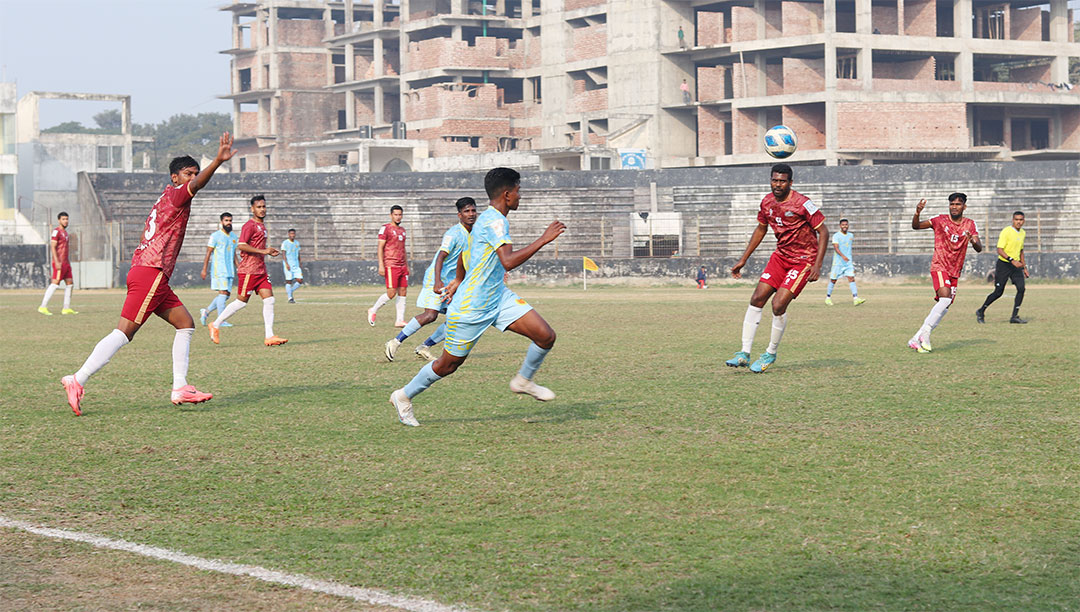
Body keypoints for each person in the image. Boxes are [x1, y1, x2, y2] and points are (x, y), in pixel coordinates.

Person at [60, 133, 235, 416]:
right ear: (175, 178)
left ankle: (181, 386)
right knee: (124, 333)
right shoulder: (177, 195)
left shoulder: (165, 198)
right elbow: (198, 184)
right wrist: (216, 161)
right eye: (188, 174)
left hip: (150, 273)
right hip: (150, 272)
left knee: (186, 324)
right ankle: (77, 379)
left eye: (194, 172)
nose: (193, 177)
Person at [389, 167, 566, 427]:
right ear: (507, 194)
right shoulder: (495, 221)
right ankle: (403, 396)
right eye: (518, 191)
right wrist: (543, 239)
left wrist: (459, 279)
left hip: (497, 297)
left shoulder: (486, 220)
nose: (520, 196)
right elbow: (507, 262)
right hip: (472, 306)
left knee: (545, 336)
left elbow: (466, 254)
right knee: (448, 365)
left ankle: (523, 381)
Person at [724, 163, 828, 373]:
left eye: (782, 181)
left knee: (778, 305)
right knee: (757, 299)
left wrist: (817, 264)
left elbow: (824, 232)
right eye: (774, 180)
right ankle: (744, 353)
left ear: (790, 182)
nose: (777, 184)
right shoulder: (767, 202)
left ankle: (770, 353)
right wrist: (744, 259)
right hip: (780, 257)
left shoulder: (803, 203)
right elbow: (761, 229)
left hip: (802, 261)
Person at [385, 197, 478, 363]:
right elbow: (441, 257)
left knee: (459, 318)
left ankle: (424, 346)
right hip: (438, 279)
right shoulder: (454, 234)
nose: (471, 214)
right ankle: (395, 342)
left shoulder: (475, 233)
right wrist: (437, 281)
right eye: (466, 211)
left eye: (473, 210)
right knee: (430, 315)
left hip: (453, 283)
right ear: (459, 215)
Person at [208, 195, 288, 346]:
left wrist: (267, 252)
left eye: (264, 206)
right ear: (252, 209)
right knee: (241, 302)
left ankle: (269, 336)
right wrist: (264, 251)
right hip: (249, 270)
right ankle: (216, 324)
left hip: (260, 270)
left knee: (270, 299)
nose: (262, 209)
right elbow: (242, 245)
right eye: (259, 207)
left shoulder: (262, 226)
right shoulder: (249, 226)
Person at [907, 194, 982, 353]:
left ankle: (915, 338)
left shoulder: (970, 224)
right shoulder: (939, 220)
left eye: (958, 204)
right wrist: (917, 212)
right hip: (940, 265)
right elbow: (916, 226)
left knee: (945, 305)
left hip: (955, 270)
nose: (954, 207)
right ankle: (926, 334)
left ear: (964, 207)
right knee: (945, 298)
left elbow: (979, 247)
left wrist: (973, 241)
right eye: (952, 204)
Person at [976, 211, 1028, 324]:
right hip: (1004, 264)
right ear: (1013, 220)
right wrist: (1011, 260)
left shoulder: (1023, 233)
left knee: (1021, 289)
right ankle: (981, 311)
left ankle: (1014, 316)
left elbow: (1021, 251)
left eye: (1021, 220)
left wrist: (1024, 267)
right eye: (1016, 220)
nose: (1019, 222)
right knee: (998, 292)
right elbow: (999, 250)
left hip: (1016, 265)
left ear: (1024, 221)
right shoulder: (1006, 231)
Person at [368, 205, 409, 328]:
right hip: (391, 264)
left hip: (402, 265)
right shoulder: (385, 229)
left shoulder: (402, 230)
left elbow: (403, 249)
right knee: (391, 293)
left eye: (400, 214)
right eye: (395, 214)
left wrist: (406, 265)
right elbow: (380, 247)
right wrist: (381, 265)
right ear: (391, 215)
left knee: (403, 291)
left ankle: (399, 320)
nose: (398, 217)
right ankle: (373, 310)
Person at [199, 212, 239, 327]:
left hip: (230, 270)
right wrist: (204, 269)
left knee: (226, 295)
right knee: (222, 293)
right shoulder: (215, 236)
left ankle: (206, 311)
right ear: (221, 222)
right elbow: (208, 253)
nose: (228, 223)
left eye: (230, 220)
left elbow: (234, 255)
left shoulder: (234, 237)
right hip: (219, 270)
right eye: (226, 220)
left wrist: (239, 267)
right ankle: (220, 321)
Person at [39, 211, 77, 315]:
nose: (66, 221)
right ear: (59, 220)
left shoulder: (65, 233)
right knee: (55, 284)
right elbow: (53, 246)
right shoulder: (56, 232)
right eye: (63, 219)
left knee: (70, 284)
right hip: (59, 263)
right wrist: (56, 261)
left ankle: (66, 308)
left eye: (67, 219)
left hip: (66, 263)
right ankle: (43, 306)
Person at [824, 219, 865, 306]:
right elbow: (836, 247)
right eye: (843, 225)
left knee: (851, 278)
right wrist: (843, 256)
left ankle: (855, 298)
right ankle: (828, 298)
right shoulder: (836, 236)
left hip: (848, 262)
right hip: (838, 262)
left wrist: (847, 257)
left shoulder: (851, 235)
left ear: (848, 225)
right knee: (833, 280)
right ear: (840, 226)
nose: (845, 226)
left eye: (846, 224)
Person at [281, 228, 303, 303]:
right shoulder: (285, 243)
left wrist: (300, 262)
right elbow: (283, 254)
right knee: (289, 281)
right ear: (288, 234)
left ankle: (290, 291)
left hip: (296, 264)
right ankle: (290, 297)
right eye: (291, 234)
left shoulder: (297, 243)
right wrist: (286, 263)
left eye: (293, 234)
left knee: (300, 280)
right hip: (288, 264)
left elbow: (298, 253)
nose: (292, 235)